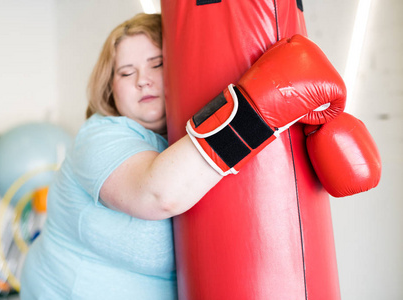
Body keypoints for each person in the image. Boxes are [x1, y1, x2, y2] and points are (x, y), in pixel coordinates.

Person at [20, 12, 345, 299]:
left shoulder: (186, 136)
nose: (142, 80)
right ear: (109, 88)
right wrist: (260, 107)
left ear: (180, 65)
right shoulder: (100, 135)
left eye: (157, 64)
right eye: (125, 72)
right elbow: (157, 193)